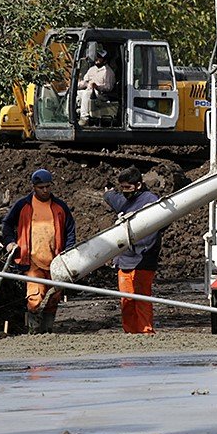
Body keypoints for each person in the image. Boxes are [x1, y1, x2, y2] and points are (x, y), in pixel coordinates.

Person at [1, 168, 77, 334]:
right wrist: (9, 242)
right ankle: (34, 331)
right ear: (34, 187)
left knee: (53, 297)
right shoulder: (23, 205)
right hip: (32, 260)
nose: (45, 190)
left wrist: (69, 251)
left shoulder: (60, 207)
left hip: (56, 261)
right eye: (41, 187)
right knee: (34, 297)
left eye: (48, 186)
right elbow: (7, 224)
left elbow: (70, 230)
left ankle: (47, 331)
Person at [104, 166, 162, 334]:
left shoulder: (150, 201)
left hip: (143, 259)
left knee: (141, 299)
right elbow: (113, 198)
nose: (124, 191)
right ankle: (130, 333)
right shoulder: (125, 199)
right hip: (125, 259)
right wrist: (108, 194)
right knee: (127, 301)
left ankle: (145, 332)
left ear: (138, 185)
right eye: (122, 188)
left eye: (127, 187)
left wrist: (143, 248)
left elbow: (161, 223)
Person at [77, 45, 115, 126]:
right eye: (97, 56)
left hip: (101, 95)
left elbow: (108, 87)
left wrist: (97, 86)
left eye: (99, 57)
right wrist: (76, 85)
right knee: (74, 93)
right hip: (89, 90)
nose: (97, 58)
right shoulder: (92, 69)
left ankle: (84, 118)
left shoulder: (108, 72)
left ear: (105, 60)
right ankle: (69, 115)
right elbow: (85, 81)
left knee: (86, 94)